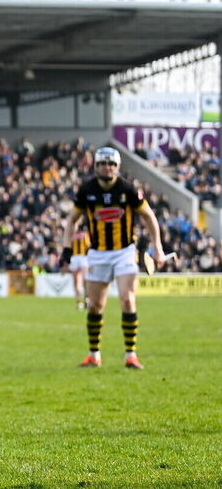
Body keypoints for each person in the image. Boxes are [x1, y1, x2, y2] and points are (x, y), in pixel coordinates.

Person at [60, 147, 164, 369]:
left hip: (125, 252)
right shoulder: (86, 190)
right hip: (97, 253)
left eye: (112, 164)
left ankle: (131, 355)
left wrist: (158, 247)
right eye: (103, 163)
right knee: (95, 306)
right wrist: (67, 248)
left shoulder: (128, 189)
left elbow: (149, 216)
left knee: (127, 299)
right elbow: (71, 220)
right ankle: (93, 355)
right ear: (96, 166)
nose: (107, 167)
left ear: (117, 167)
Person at [63, 230, 91, 310]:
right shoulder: (82, 234)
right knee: (80, 281)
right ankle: (82, 301)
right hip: (79, 257)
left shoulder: (76, 234)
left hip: (80, 257)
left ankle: (84, 301)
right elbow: (88, 246)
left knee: (82, 280)